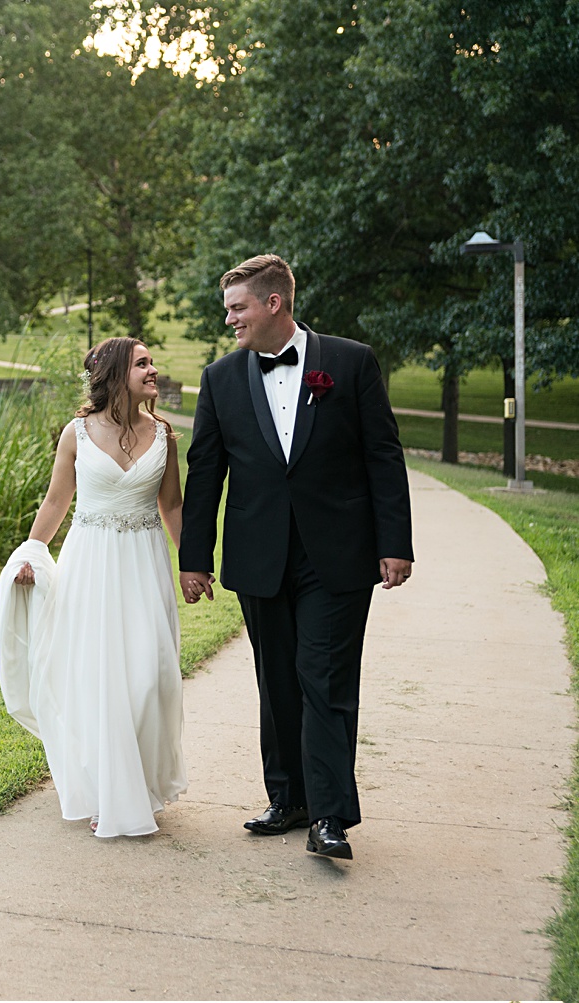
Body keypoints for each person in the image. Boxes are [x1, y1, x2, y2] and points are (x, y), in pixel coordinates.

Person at [177, 253, 414, 864]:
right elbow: (205, 474)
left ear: (273, 304)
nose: (230, 320)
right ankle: (287, 798)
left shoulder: (350, 362)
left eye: (237, 308)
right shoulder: (220, 379)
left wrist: (395, 542)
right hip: (260, 557)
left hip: (336, 557)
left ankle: (330, 816)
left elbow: (382, 455)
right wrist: (194, 558)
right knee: (275, 680)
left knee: (326, 680)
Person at [0, 336, 187, 838]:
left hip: (144, 563)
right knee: (99, 678)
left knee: (150, 676)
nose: (154, 370)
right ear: (116, 372)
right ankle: (107, 792)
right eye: (143, 363)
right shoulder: (76, 433)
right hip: (91, 563)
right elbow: (57, 501)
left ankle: (142, 785)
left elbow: (171, 507)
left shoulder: (164, 435)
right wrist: (32, 554)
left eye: (152, 362)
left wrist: (192, 565)